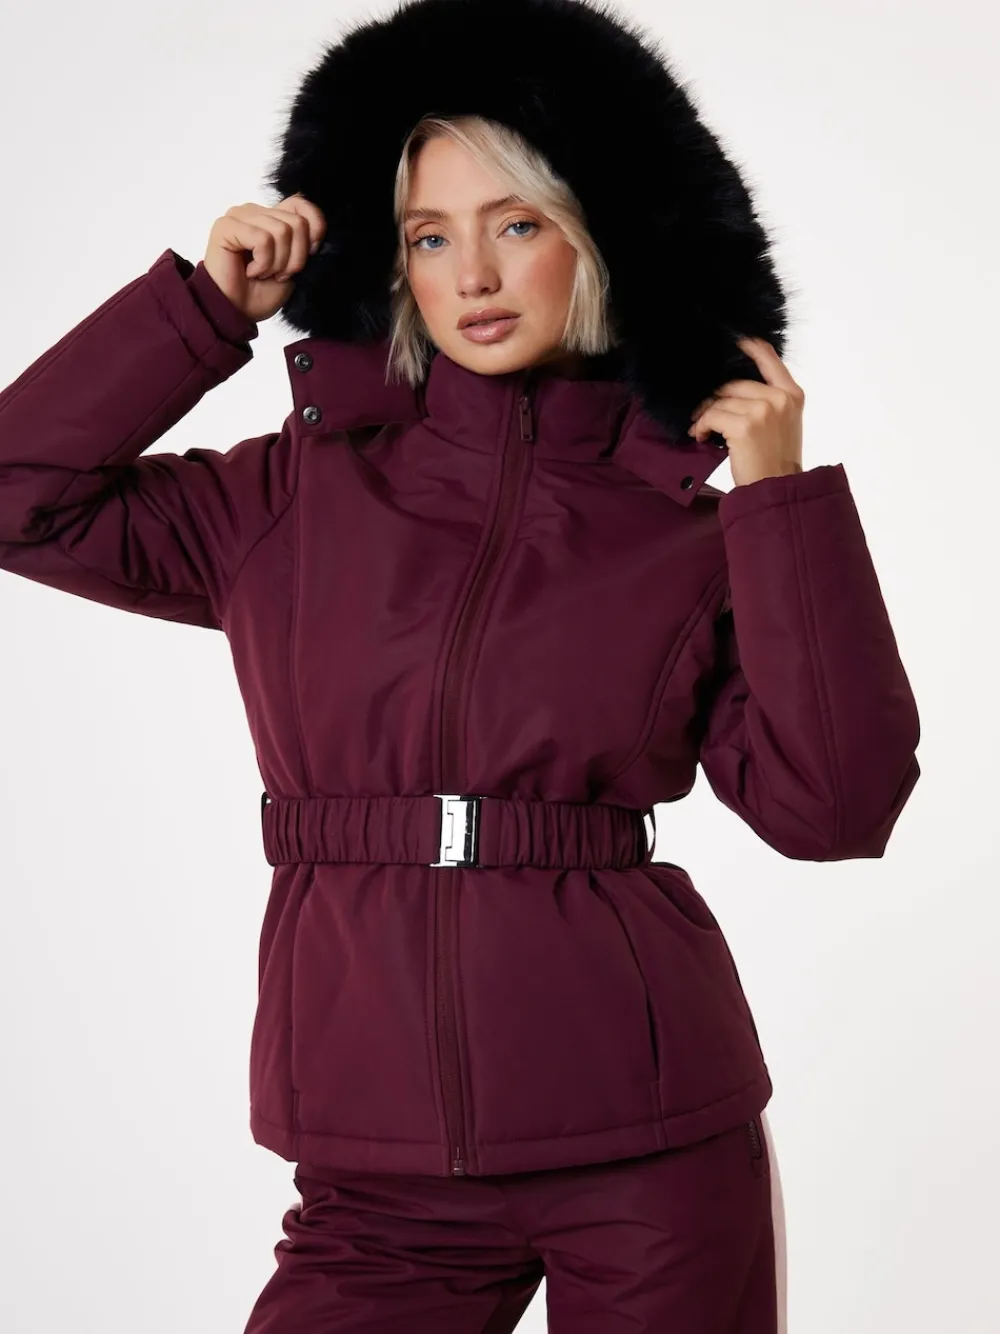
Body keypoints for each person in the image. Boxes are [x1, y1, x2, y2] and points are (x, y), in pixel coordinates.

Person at [0, 0, 919, 1329]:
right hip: (378, 1175)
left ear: (601, 236)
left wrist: (778, 500)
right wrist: (199, 313)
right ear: (393, 260)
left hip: (651, 1146)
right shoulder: (287, 497)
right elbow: (19, 495)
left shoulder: (689, 531)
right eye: (431, 235)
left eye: (518, 225)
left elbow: (835, 806)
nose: (474, 274)